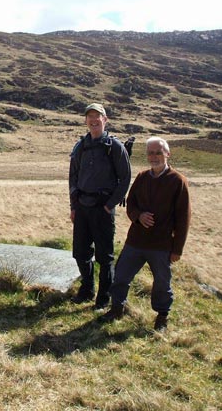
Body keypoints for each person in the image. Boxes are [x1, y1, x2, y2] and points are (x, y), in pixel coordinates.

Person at [99, 136, 191, 331]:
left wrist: (177, 249)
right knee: (121, 275)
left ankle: (162, 316)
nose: (154, 156)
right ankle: (117, 307)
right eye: (150, 152)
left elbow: (184, 219)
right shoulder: (141, 177)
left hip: (162, 244)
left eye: (158, 152)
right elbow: (130, 204)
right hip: (136, 241)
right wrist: (138, 216)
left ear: (167, 154)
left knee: (162, 283)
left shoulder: (178, 181)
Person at [69, 103, 131, 309]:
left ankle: (103, 298)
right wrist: (74, 206)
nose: (94, 120)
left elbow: (125, 178)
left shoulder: (115, 146)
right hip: (82, 208)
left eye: (98, 116)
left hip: (103, 209)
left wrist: (110, 204)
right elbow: (73, 178)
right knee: (80, 252)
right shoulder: (80, 146)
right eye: (90, 116)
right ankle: (87, 290)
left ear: (105, 120)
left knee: (105, 256)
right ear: (85, 120)